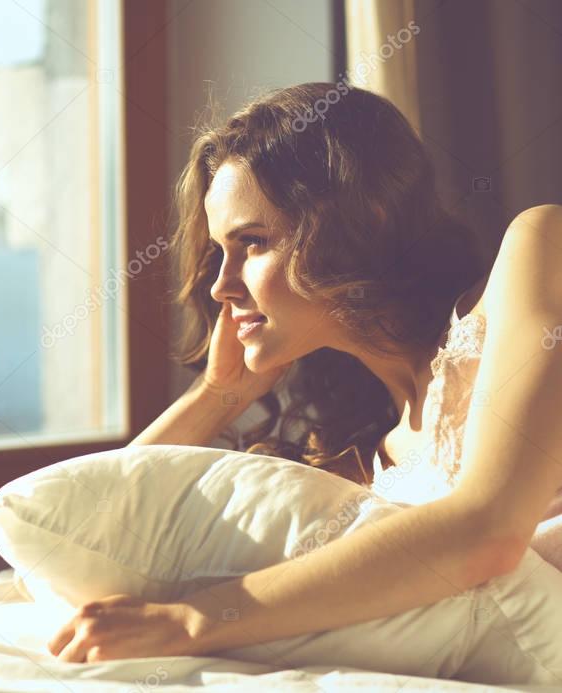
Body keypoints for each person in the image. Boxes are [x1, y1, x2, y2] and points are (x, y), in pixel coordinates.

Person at [47, 82, 562, 664]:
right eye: (219, 252)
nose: (221, 284)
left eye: (253, 243)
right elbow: (82, 531)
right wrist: (215, 396)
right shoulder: (368, 467)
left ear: (360, 224)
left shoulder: (539, 248)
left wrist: (191, 623)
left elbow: (486, 531)